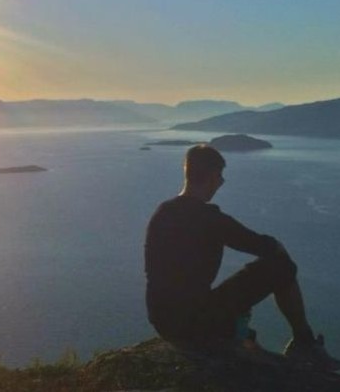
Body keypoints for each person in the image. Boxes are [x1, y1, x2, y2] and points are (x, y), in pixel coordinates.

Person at [144, 144, 339, 369]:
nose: (221, 182)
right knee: (282, 267)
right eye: (220, 176)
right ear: (212, 176)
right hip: (194, 322)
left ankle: (239, 335)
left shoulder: (163, 213)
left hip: (164, 321)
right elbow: (263, 245)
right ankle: (304, 343)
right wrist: (280, 252)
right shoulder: (211, 219)